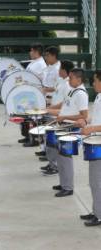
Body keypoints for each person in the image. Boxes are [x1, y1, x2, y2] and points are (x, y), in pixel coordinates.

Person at [47, 68, 89, 197]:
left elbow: (84, 116)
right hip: (63, 125)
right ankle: (63, 183)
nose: (69, 80)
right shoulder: (72, 90)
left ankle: (68, 187)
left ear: (79, 79)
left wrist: (64, 118)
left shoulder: (81, 94)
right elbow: (66, 107)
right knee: (61, 157)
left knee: (66, 158)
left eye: (71, 78)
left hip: (70, 128)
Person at [40, 60, 74, 175]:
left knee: (54, 142)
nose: (58, 71)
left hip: (59, 115)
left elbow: (65, 103)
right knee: (50, 141)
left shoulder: (69, 85)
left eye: (60, 69)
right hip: (54, 111)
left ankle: (54, 166)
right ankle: (51, 163)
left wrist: (54, 110)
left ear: (64, 71)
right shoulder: (61, 81)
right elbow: (56, 95)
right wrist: (50, 106)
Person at [77, 70, 101, 226]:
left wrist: (91, 129)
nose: (93, 83)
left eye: (95, 80)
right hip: (95, 141)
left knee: (97, 182)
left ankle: (99, 215)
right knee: (94, 181)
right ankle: (96, 211)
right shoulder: (99, 97)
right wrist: (87, 122)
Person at [18, 44, 47, 145]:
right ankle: (28, 136)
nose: (30, 53)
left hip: (35, 93)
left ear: (36, 52)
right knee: (28, 116)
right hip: (29, 92)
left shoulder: (40, 64)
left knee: (34, 117)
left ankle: (34, 139)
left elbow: (38, 79)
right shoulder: (34, 63)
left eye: (31, 51)